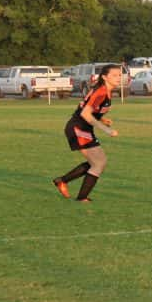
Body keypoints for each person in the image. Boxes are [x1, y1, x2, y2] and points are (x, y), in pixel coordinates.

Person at [53, 64, 121, 201]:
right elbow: (85, 113)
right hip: (78, 128)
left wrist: (102, 119)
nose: (119, 78)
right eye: (114, 75)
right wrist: (107, 130)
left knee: (99, 162)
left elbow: (89, 109)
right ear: (104, 77)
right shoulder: (101, 91)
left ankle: (62, 181)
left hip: (84, 128)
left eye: (120, 75)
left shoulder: (105, 91)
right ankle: (81, 197)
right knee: (98, 163)